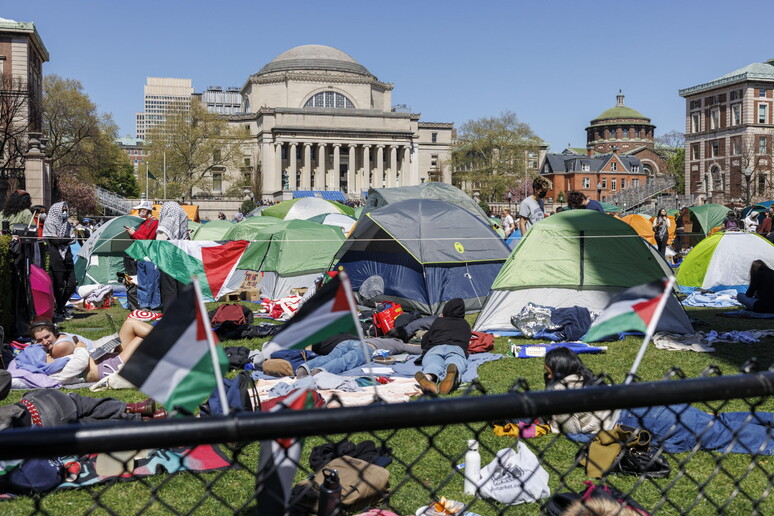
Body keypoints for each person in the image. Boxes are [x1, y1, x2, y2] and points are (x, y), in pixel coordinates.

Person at [544, 347, 774, 454]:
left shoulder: (559, 392)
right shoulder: (586, 377)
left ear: (556, 370)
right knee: (718, 420)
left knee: (724, 435)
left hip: (648, 421)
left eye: (547, 369)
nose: (545, 373)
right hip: (651, 406)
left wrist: (552, 422)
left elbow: (570, 427)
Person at [29, 318, 152, 382]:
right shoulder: (56, 347)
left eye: (47, 337)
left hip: (105, 354)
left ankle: (168, 337)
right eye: (40, 340)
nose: (45, 342)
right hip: (109, 363)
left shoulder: (58, 347)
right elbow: (80, 361)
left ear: (54, 332)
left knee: (130, 324)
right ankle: (168, 338)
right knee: (139, 336)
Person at [414, 298, 471, 396]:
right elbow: (466, 343)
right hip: (456, 348)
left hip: (435, 348)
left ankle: (427, 377)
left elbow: (425, 340)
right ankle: (454, 374)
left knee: (432, 364)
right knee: (456, 361)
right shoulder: (465, 325)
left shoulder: (438, 321)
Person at [295, 336, 421, 377]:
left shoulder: (379, 338)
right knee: (346, 361)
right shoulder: (397, 344)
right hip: (367, 348)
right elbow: (414, 348)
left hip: (350, 342)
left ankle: (306, 367)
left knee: (329, 357)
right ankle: (321, 372)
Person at [42, 202, 76, 322]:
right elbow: (55, 242)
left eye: (66, 210)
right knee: (59, 284)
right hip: (55, 255)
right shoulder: (50, 222)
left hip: (67, 254)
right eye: (62, 210)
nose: (64, 212)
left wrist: (64, 239)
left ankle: (60, 306)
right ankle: (59, 309)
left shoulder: (66, 223)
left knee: (72, 283)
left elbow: (73, 239)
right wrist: (66, 239)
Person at [127, 200, 160, 311]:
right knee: (142, 283)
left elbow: (146, 239)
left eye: (140, 210)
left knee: (151, 283)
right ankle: (144, 305)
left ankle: (154, 306)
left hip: (150, 256)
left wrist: (133, 233)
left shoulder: (154, 222)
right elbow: (139, 238)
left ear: (146, 210)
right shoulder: (144, 223)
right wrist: (132, 234)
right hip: (141, 256)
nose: (139, 212)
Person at [156, 202, 189, 312]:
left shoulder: (167, 222)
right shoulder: (181, 220)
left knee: (169, 288)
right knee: (181, 287)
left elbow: (160, 240)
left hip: (168, 258)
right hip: (182, 258)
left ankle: (170, 314)